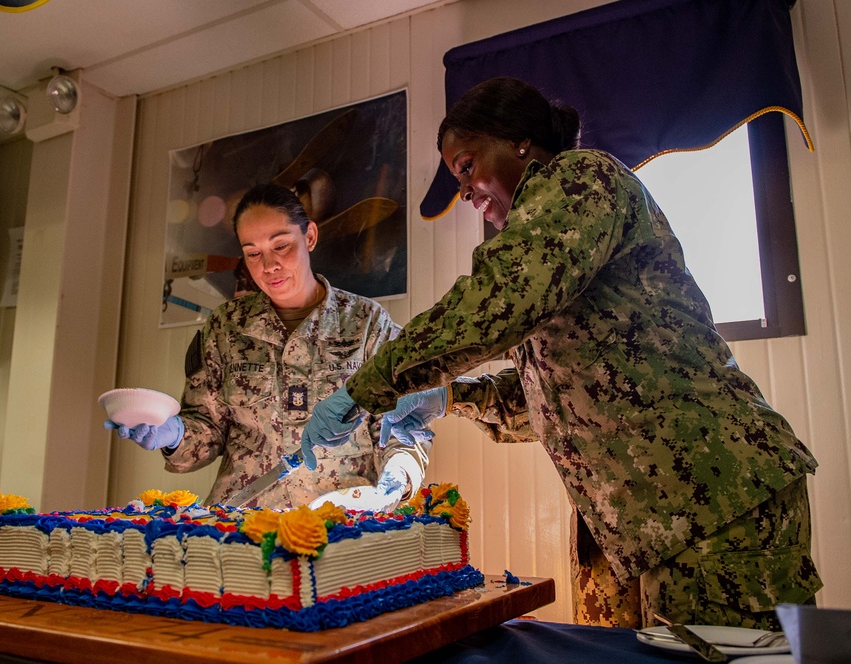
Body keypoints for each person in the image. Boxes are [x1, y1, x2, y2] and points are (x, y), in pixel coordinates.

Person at [301, 77, 821, 630]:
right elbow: (561, 396)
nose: (467, 191)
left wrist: (367, 387)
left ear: (519, 142)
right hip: (637, 519)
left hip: (717, 496)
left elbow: (497, 302)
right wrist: (449, 398)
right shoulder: (547, 251)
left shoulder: (580, 180)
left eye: (467, 166)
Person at [106, 183, 429, 509]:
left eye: (282, 245)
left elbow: (405, 427)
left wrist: (397, 478)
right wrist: (172, 434)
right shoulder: (226, 328)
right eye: (253, 253)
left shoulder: (368, 325)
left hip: (342, 524)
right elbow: (208, 431)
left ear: (310, 237)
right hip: (243, 525)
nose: (268, 265)